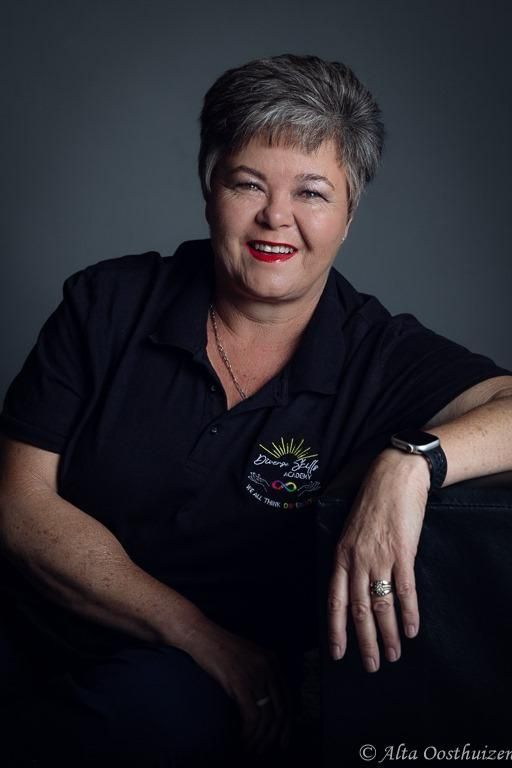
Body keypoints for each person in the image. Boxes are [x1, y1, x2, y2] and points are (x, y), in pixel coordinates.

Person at [0, 53, 511, 767]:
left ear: (349, 213)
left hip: (183, 691)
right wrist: (200, 636)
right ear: (209, 186)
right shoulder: (107, 303)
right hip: (42, 627)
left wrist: (414, 461)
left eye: (312, 192)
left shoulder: (378, 353)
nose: (277, 218)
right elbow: (18, 505)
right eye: (248, 184)